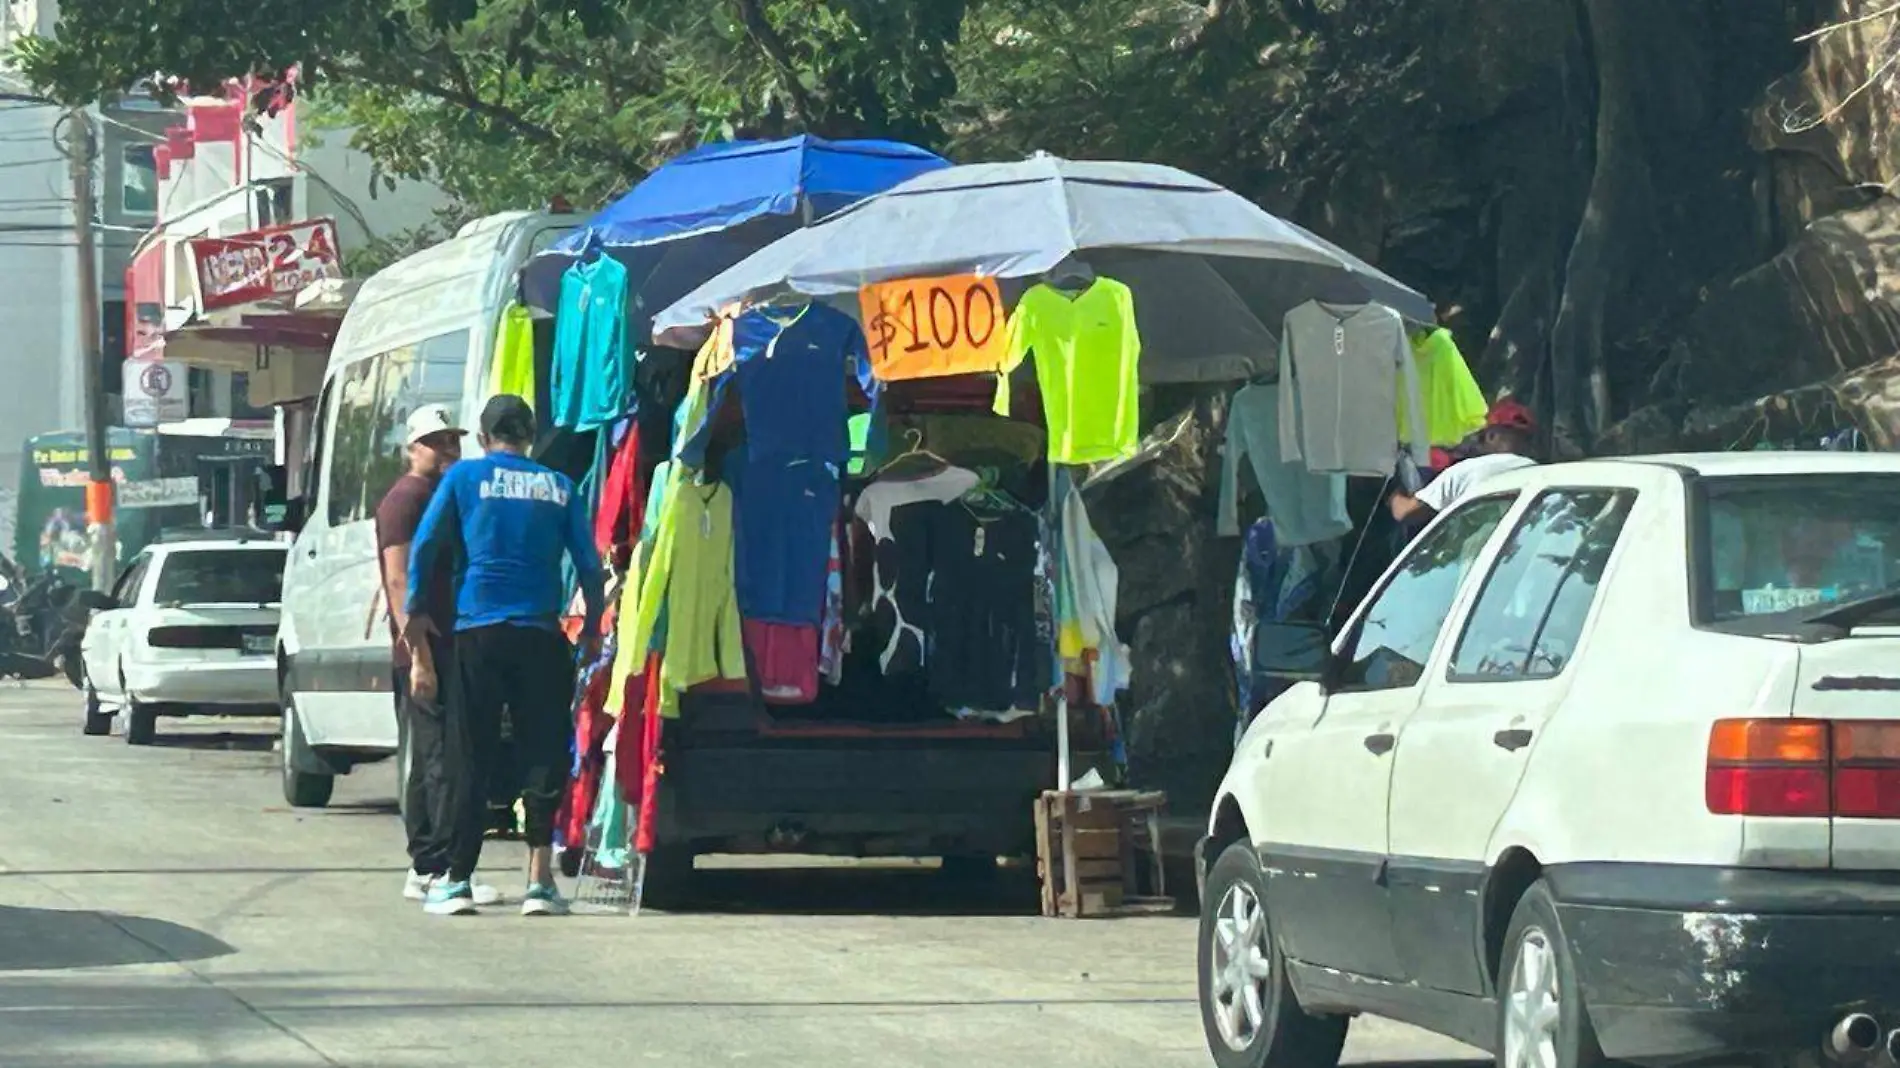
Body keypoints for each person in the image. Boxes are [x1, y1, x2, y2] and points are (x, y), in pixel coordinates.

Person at [406, 395, 603, 916]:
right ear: (531, 436)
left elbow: (425, 545)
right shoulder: (560, 487)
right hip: (540, 633)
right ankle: (539, 882)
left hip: (478, 632)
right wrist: (594, 631)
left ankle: (456, 879)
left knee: (469, 751)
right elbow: (589, 562)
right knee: (543, 751)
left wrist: (416, 609)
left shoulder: (463, 480)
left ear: (483, 435)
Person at [373, 403, 502, 907]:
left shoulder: (439, 494)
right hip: (426, 648)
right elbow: (400, 579)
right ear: (413, 448)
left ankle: (432, 864)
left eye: (453, 440)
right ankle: (433, 866)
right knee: (437, 760)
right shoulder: (407, 499)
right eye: (437, 441)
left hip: (451, 640)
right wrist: (419, 656)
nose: (449, 449)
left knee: (447, 756)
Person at [1389, 399, 1540, 523]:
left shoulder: (1467, 471)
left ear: (1491, 435)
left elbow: (1405, 513)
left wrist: (1392, 492)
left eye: (1481, 436)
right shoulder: (1539, 473)